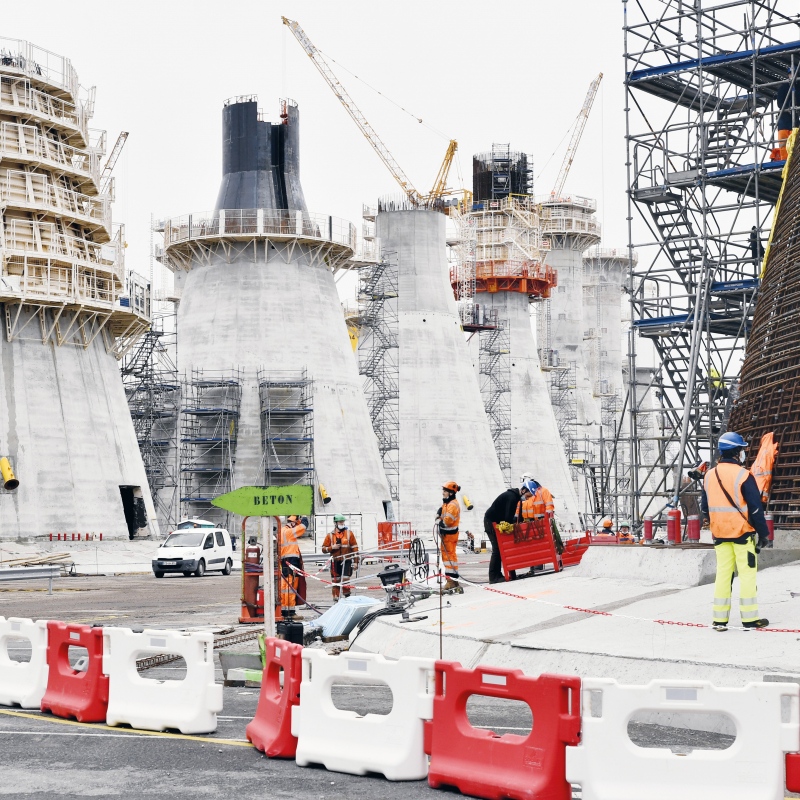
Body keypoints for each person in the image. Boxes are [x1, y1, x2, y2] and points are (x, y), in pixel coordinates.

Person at [701, 431, 770, 631]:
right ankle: (750, 618)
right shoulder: (744, 475)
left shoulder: (709, 475)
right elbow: (756, 508)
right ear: (736, 451)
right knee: (747, 575)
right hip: (742, 534)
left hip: (720, 535)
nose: (743, 454)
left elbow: (705, 507)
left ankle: (719, 620)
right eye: (742, 450)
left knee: (723, 574)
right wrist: (763, 534)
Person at [483, 484, 522, 583]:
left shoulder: (512, 495)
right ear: (524, 490)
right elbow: (508, 517)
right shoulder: (512, 498)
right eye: (528, 495)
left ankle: (498, 574)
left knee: (499, 549)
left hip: (493, 521)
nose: (527, 498)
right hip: (491, 522)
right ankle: (493, 577)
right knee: (497, 549)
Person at [322, 514, 359, 601]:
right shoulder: (330, 536)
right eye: (340, 522)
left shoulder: (349, 534)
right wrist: (332, 548)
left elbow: (355, 549)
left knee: (346, 580)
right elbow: (323, 549)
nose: (342, 524)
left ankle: (347, 598)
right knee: (336, 582)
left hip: (347, 561)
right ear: (335, 523)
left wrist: (356, 562)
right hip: (335, 562)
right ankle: (336, 600)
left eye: (343, 522)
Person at [436, 481, 462, 591]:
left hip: (449, 536)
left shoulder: (453, 505)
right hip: (446, 536)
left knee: (449, 557)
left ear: (451, 493)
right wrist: (439, 512)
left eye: (445, 491)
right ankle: (453, 580)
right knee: (449, 557)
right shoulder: (447, 504)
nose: (443, 493)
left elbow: (448, 520)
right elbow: (443, 512)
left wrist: (441, 522)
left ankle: (451, 581)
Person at [279, 516, 304, 619]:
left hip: (285, 561)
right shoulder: (289, 532)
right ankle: (291, 612)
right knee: (292, 586)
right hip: (291, 561)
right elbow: (302, 527)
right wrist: (304, 517)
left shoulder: (282, 531)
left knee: (285, 586)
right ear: (293, 523)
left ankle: (285, 611)